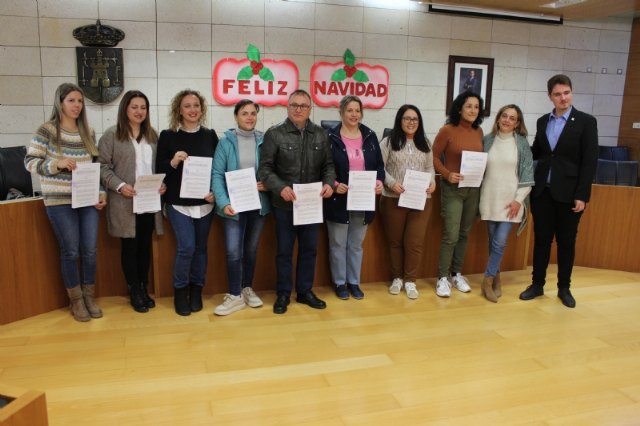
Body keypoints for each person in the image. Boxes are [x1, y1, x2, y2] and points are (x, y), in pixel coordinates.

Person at [24, 82, 106, 322]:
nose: (77, 105)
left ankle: (89, 296)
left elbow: (96, 167)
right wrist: (55, 164)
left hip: (87, 200)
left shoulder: (88, 132)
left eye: (80, 101)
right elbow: (30, 162)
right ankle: (76, 300)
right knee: (71, 251)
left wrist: (101, 192)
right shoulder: (47, 130)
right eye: (71, 101)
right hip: (59, 201)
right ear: (60, 103)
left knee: (90, 250)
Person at [519, 74, 598, 308]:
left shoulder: (586, 121)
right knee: (541, 240)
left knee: (566, 242)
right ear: (550, 97)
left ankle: (564, 288)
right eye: (557, 94)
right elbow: (538, 152)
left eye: (566, 93)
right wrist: (516, 146)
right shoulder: (543, 121)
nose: (563, 98)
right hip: (543, 192)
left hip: (570, 194)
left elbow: (589, 161)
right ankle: (537, 285)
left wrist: (582, 195)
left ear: (571, 92)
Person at [258, 89, 336, 314]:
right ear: (288, 107)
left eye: (303, 105)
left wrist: (329, 183)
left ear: (310, 109)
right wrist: (280, 187)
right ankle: (283, 293)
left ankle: (304, 292)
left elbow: (328, 166)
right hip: (284, 205)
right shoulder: (275, 134)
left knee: (309, 250)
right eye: (294, 105)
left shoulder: (321, 134)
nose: (298, 109)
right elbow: (265, 169)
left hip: (311, 205)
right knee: (284, 251)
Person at [98, 90, 165, 313]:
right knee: (130, 247)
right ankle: (134, 290)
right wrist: (119, 185)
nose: (139, 111)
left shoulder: (153, 135)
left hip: (149, 201)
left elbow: (159, 167)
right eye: (134, 107)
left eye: (143, 108)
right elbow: (102, 167)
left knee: (145, 246)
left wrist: (162, 185)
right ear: (125, 109)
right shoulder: (112, 135)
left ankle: (144, 287)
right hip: (125, 202)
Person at [156, 89, 218, 316]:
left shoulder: (210, 135)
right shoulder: (168, 136)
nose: (193, 110)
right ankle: (180, 292)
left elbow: (218, 169)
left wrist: (215, 192)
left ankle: (197, 290)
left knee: (201, 249)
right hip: (178, 204)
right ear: (179, 111)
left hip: (205, 204)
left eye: (196, 105)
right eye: (187, 106)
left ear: (202, 109)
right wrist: (173, 161)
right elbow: (159, 169)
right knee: (187, 248)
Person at [211, 99, 269, 315]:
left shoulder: (264, 141)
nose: (249, 117)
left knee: (251, 250)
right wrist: (223, 202)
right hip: (233, 206)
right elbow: (217, 174)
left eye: (253, 113)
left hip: (258, 204)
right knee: (233, 251)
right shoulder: (225, 142)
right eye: (245, 113)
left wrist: (268, 183)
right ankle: (235, 295)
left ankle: (246, 289)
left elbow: (272, 169)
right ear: (236, 116)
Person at [324, 95, 384, 300]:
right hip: (338, 199)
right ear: (341, 112)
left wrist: (379, 182)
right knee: (338, 244)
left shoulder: (370, 136)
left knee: (356, 244)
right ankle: (340, 282)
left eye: (357, 110)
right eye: (349, 110)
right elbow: (323, 166)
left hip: (363, 199)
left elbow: (379, 165)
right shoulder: (330, 137)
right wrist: (334, 184)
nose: (354, 114)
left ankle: (354, 282)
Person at [379, 104, 436, 300]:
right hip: (393, 199)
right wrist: (391, 183)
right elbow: (379, 167)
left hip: (420, 200)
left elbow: (429, 168)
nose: (411, 122)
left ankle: (410, 280)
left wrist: (432, 182)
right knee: (395, 242)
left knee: (414, 243)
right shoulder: (388, 142)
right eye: (407, 118)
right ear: (400, 120)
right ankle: (397, 278)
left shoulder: (425, 143)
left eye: (415, 119)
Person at [479, 104, 534, 302]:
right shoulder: (487, 140)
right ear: (498, 118)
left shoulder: (522, 144)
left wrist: (518, 201)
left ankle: (487, 281)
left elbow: (528, 175)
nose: (507, 120)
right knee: (493, 242)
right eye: (504, 116)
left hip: (511, 202)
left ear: (517, 123)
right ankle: (497, 278)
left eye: (512, 118)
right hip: (489, 199)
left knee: (500, 242)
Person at [432, 91, 484, 298]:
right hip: (453, 189)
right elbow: (433, 157)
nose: (473, 110)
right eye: (469, 106)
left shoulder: (479, 131)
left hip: (473, 189)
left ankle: (456, 274)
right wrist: (447, 174)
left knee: (464, 234)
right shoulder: (447, 130)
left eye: (476, 107)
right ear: (459, 108)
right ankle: (442, 277)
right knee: (451, 235)